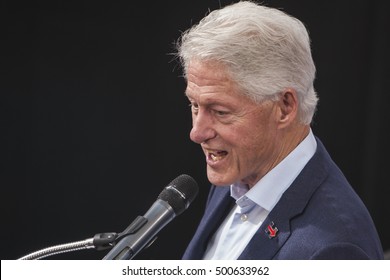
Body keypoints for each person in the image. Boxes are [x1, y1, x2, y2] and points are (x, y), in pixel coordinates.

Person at [176, 1, 384, 259]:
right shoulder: (237, 172)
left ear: (285, 107)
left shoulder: (337, 248)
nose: (197, 133)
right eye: (194, 105)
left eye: (220, 112)